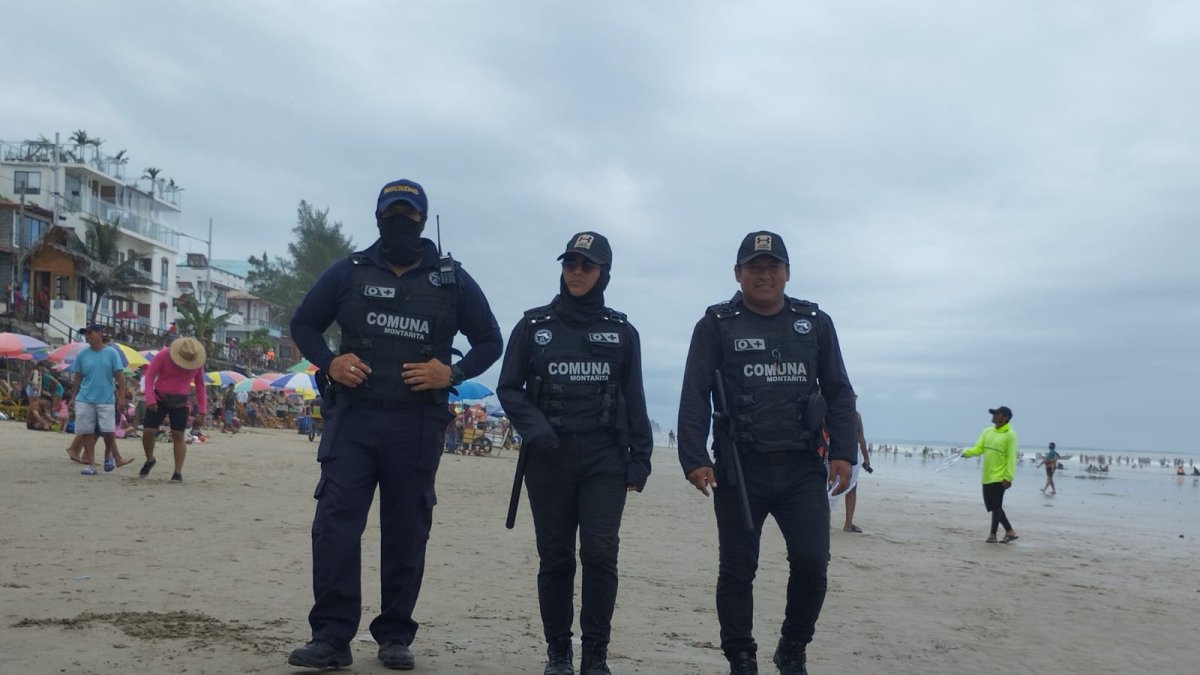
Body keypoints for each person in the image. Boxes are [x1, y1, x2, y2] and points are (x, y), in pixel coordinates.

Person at [286, 178, 502, 671]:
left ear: (422, 219)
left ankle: (395, 635)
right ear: (378, 217)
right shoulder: (349, 272)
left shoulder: (452, 280)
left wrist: (454, 373)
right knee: (335, 526)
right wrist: (329, 362)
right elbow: (304, 323)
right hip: (354, 420)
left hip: (418, 423)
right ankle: (331, 638)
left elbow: (491, 339)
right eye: (391, 213)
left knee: (406, 531)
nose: (399, 220)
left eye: (408, 213)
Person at [676, 231, 857, 675]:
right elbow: (695, 393)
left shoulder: (815, 322)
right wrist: (694, 457)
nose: (764, 275)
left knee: (812, 563)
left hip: (802, 466)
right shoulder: (715, 325)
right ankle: (741, 657)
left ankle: (793, 647)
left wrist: (844, 452)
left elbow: (839, 391)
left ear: (787, 273)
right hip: (741, 467)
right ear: (737, 274)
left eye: (772, 267)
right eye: (754, 268)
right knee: (738, 569)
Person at [497, 231, 653, 675]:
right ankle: (559, 652)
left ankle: (595, 655)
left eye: (587, 265)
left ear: (604, 273)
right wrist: (538, 431)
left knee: (601, 554)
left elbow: (634, 396)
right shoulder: (533, 327)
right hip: (549, 459)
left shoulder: (623, 332)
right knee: (556, 557)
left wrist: (641, 458)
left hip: (605, 458)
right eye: (570, 264)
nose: (577, 272)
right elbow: (509, 388)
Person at [140, 337, 208, 482]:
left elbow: (200, 385)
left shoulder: (197, 362)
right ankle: (150, 459)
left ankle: (177, 472)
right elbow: (150, 376)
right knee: (148, 432)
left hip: (181, 401)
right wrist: (150, 398)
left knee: (178, 435)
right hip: (159, 397)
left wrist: (202, 409)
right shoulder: (164, 355)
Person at [68, 324, 127, 476]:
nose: (87, 336)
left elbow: (120, 377)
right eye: (86, 334)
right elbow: (77, 378)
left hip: (106, 399)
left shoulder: (111, 353)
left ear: (100, 333)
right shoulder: (82, 355)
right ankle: (91, 463)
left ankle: (108, 455)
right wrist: (73, 397)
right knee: (86, 431)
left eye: (90, 333)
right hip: (85, 398)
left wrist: (122, 398)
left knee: (108, 431)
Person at [959, 406, 1018, 543]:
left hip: (1000, 476)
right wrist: (966, 453)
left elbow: (1011, 457)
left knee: (996, 506)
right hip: (987, 476)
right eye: (994, 413)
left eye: (997, 414)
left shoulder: (1010, 434)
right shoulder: (987, 431)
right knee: (992, 506)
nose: (993, 415)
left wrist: (1008, 477)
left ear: (1005, 418)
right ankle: (1009, 531)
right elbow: (979, 448)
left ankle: (992, 535)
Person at [840, 404, 872, 533]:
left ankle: (827, 521)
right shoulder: (855, 415)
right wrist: (866, 459)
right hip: (850, 453)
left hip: (833, 452)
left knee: (829, 486)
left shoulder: (831, 411)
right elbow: (861, 439)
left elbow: (861, 439)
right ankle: (848, 524)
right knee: (851, 488)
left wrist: (866, 458)